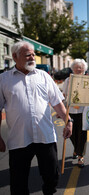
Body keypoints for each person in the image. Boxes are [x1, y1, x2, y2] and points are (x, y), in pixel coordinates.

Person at [0, 41, 72, 195]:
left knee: (52, 177)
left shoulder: (43, 76)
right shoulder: (3, 79)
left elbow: (57, 102)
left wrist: (68, 121)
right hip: (19, 139)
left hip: (45, 136)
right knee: (18, 183)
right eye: (28, 55)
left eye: (33, 54)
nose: (32, 57)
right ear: (14, 56)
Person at [63, 59, 88, 168]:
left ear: (84, 69)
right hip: (71, 111)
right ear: (72, 69)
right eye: (76, 67)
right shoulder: (68, 80)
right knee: (72, 134)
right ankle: (76, 149)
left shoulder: (87, 80)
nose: (78, 69)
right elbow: (64, 95)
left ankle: (80, 156)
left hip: (83, 111)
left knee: (82, 134)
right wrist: (62, 109)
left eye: (81, 67)